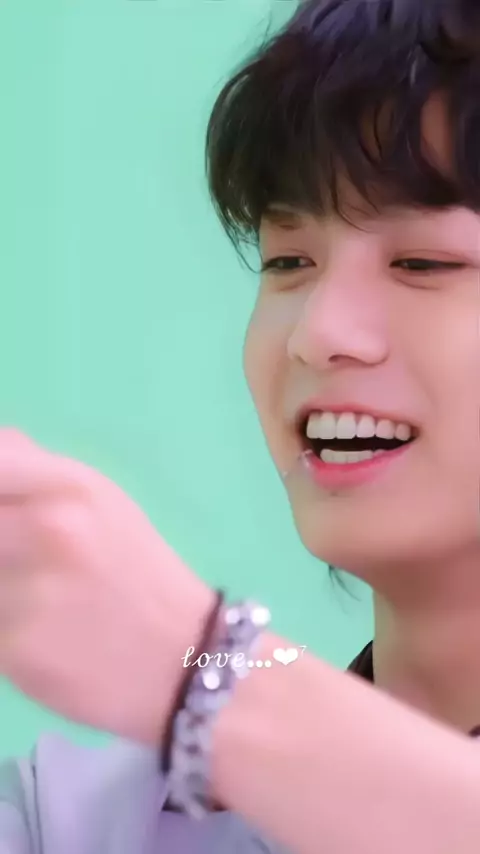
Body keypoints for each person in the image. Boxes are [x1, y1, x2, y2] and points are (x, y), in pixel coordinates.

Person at [1, 0, 480, 852]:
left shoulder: (212, 709)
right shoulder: (88, 825)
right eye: (287, 260)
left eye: (423, 262)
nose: (317, 332)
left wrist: (202, 674)